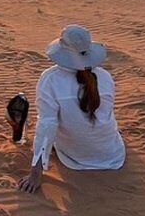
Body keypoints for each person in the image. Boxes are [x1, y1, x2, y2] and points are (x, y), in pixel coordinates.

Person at [19, 24, 125, 193]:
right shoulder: (104, 76)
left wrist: (35, 173)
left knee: (48, 125)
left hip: (75, 157)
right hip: (112, 154)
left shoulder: (50, 79)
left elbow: (47, 126)